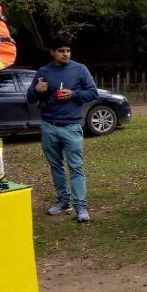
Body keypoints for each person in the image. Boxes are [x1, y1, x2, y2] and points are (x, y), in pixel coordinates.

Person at [27, 34, 98, 223]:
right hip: (49, 126)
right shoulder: (43, 71)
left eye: (68, 51)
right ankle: (63, 201)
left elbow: (93, 93)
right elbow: (29, 98)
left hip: (71, 126)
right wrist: (36, 90)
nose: (65, 54)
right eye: (61, 51)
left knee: (76, 167)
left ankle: (80, 206)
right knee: (56, 166)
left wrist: (73, 94)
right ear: (52, 52)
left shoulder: (80, 69)